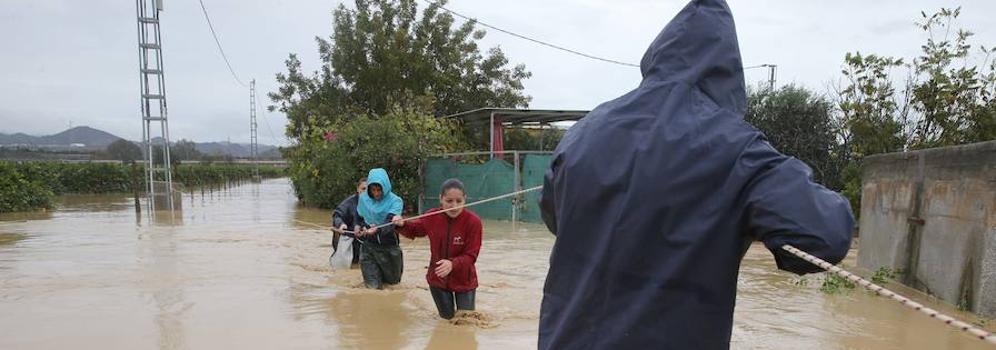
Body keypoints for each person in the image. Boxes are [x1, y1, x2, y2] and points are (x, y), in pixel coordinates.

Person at [536, 0, 855, 348]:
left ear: (657, 54)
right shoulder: (737, 150)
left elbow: (555, 216)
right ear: (727, 72)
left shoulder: (584, 133)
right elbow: (826, 236)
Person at [393, 179, 482, 320]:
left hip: (465, 280)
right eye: (449, 201)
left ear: (465, 199)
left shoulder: (474, 222)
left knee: (466, 321)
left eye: (459, 201)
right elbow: (415, 230)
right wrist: (400, 224)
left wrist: (452, 264)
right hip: (438, 280)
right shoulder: (432, 216)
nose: (454, 206)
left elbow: (471, 255)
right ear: (441, 199)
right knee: (448, 320)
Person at [355, 168, 404, 289]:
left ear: (385, 188)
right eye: (373, 190)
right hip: (368, 248)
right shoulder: (363, 199)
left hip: (389, 247)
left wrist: (377, 229)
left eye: (379, 190)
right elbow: (359, 216)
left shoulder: (396, 201)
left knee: (393, 285)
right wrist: (358, 227)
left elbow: (390, 222)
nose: (376, 193)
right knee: (373, 288)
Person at [330, 177, 366, 268]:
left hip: (367, 240)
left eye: (368, 189)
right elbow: (337, 215)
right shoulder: (349, 203)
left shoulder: (376, 204)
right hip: (350, 239)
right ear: (358, 189)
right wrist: (341, 224)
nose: (365, 192)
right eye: (363, 189)